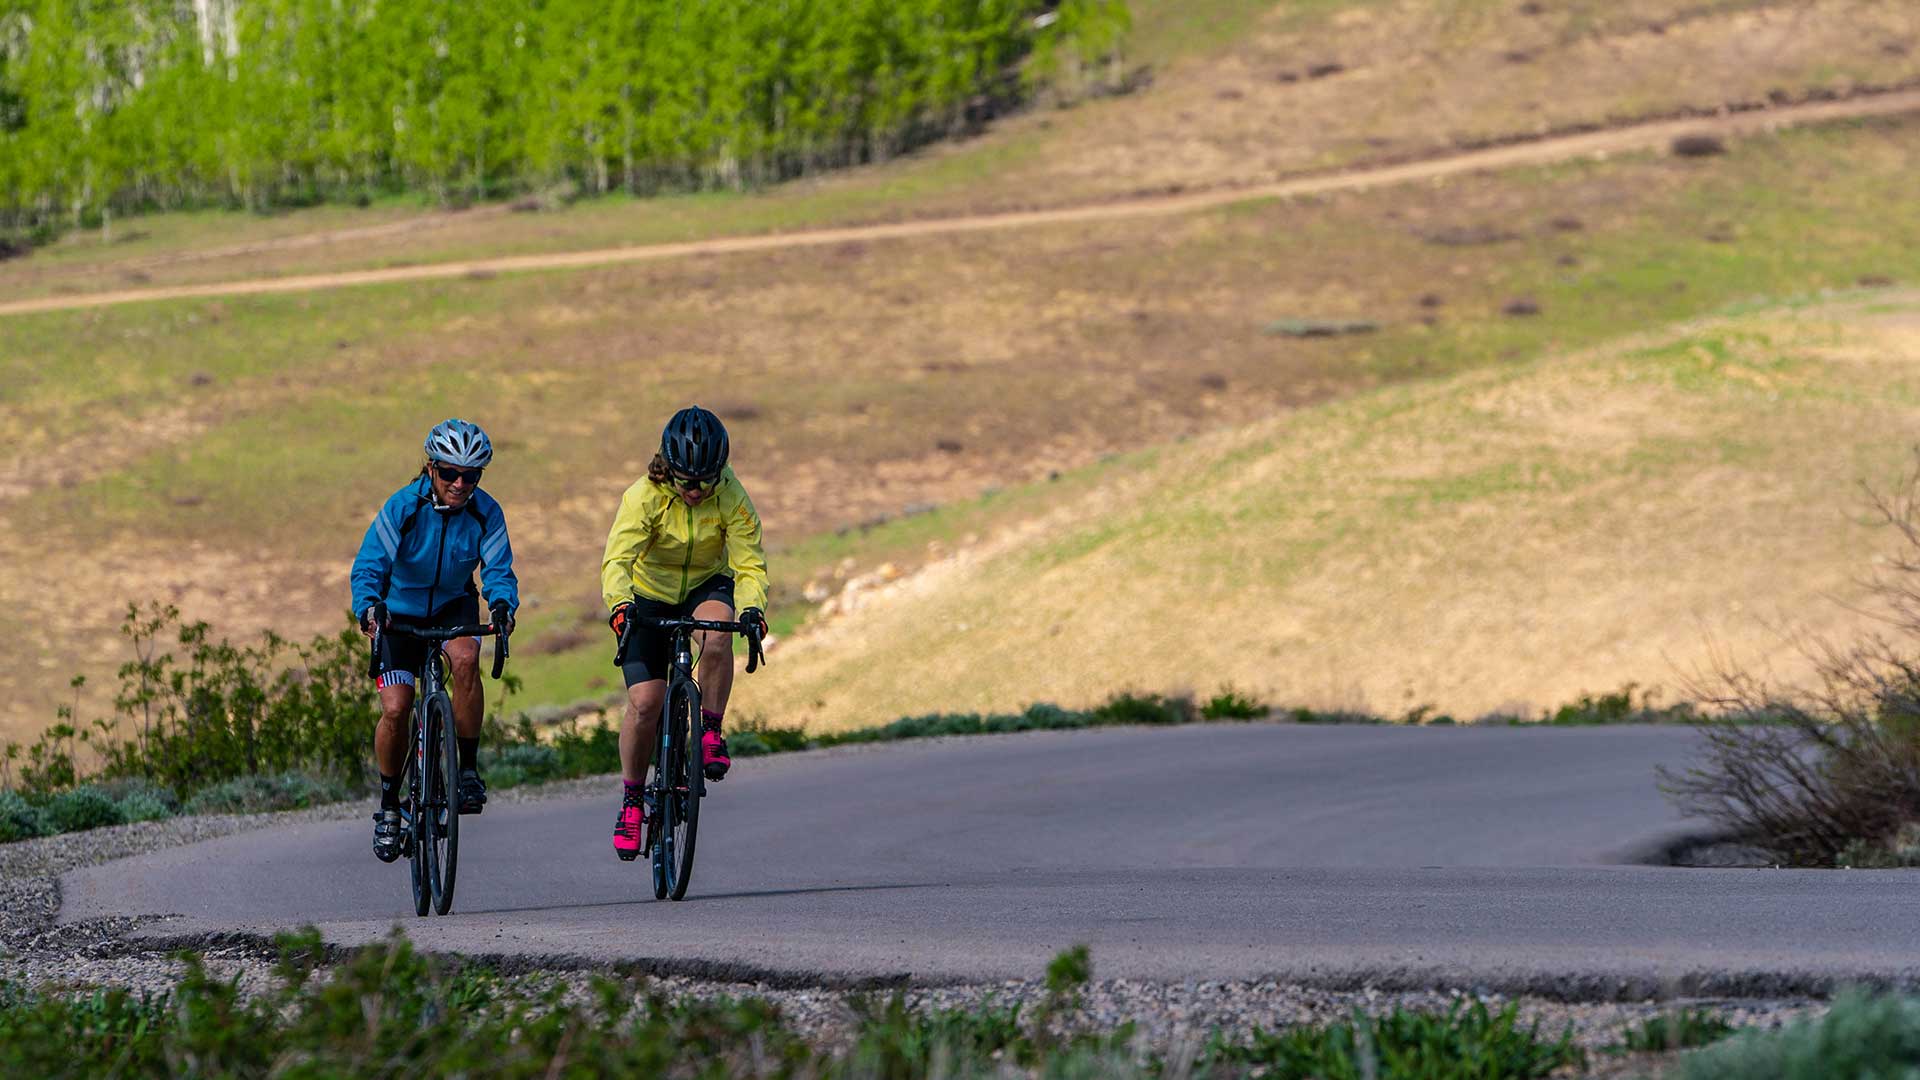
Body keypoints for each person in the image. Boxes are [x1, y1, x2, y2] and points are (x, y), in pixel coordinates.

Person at [601, 406, 769, 861]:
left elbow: (750, 563)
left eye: (705, 481)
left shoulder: (731, 493)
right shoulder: (643, 496)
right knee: (645, 703)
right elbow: (617, 562)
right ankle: (633, 799)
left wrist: (753, 609)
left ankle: (711, 730)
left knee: (717, 636)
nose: (695, 490)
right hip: (649, 595)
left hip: (704, 585)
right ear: (667, 468)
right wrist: (621, 606)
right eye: (685, 481)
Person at [351, 419, 519, 863]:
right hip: (398, 613)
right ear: (430, 469)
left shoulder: (487, 512)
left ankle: (466, 770)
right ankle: (389, 804)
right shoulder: (402, 508)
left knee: (465, 659)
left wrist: (502, 605)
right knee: (396, 706)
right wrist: (369, 606)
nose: (460, 484)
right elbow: (369, 565)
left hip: (451, 605)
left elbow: (498, 569)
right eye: (450, 473)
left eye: (472, 475)